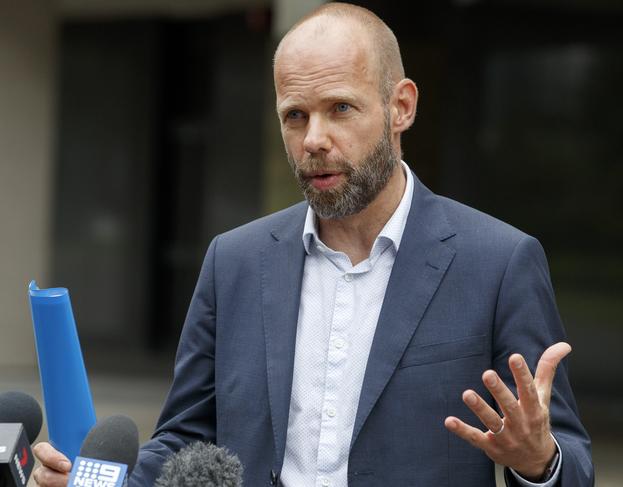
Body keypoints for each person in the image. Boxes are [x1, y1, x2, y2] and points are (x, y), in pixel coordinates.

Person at [33, 3, 593, 486]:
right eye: (295, 116)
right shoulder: (234, 261)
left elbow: (572, 465)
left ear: (401, 106)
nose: (314, 140)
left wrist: (538, 462)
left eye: (340, 109)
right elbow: (185, 439)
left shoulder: (497, 262)